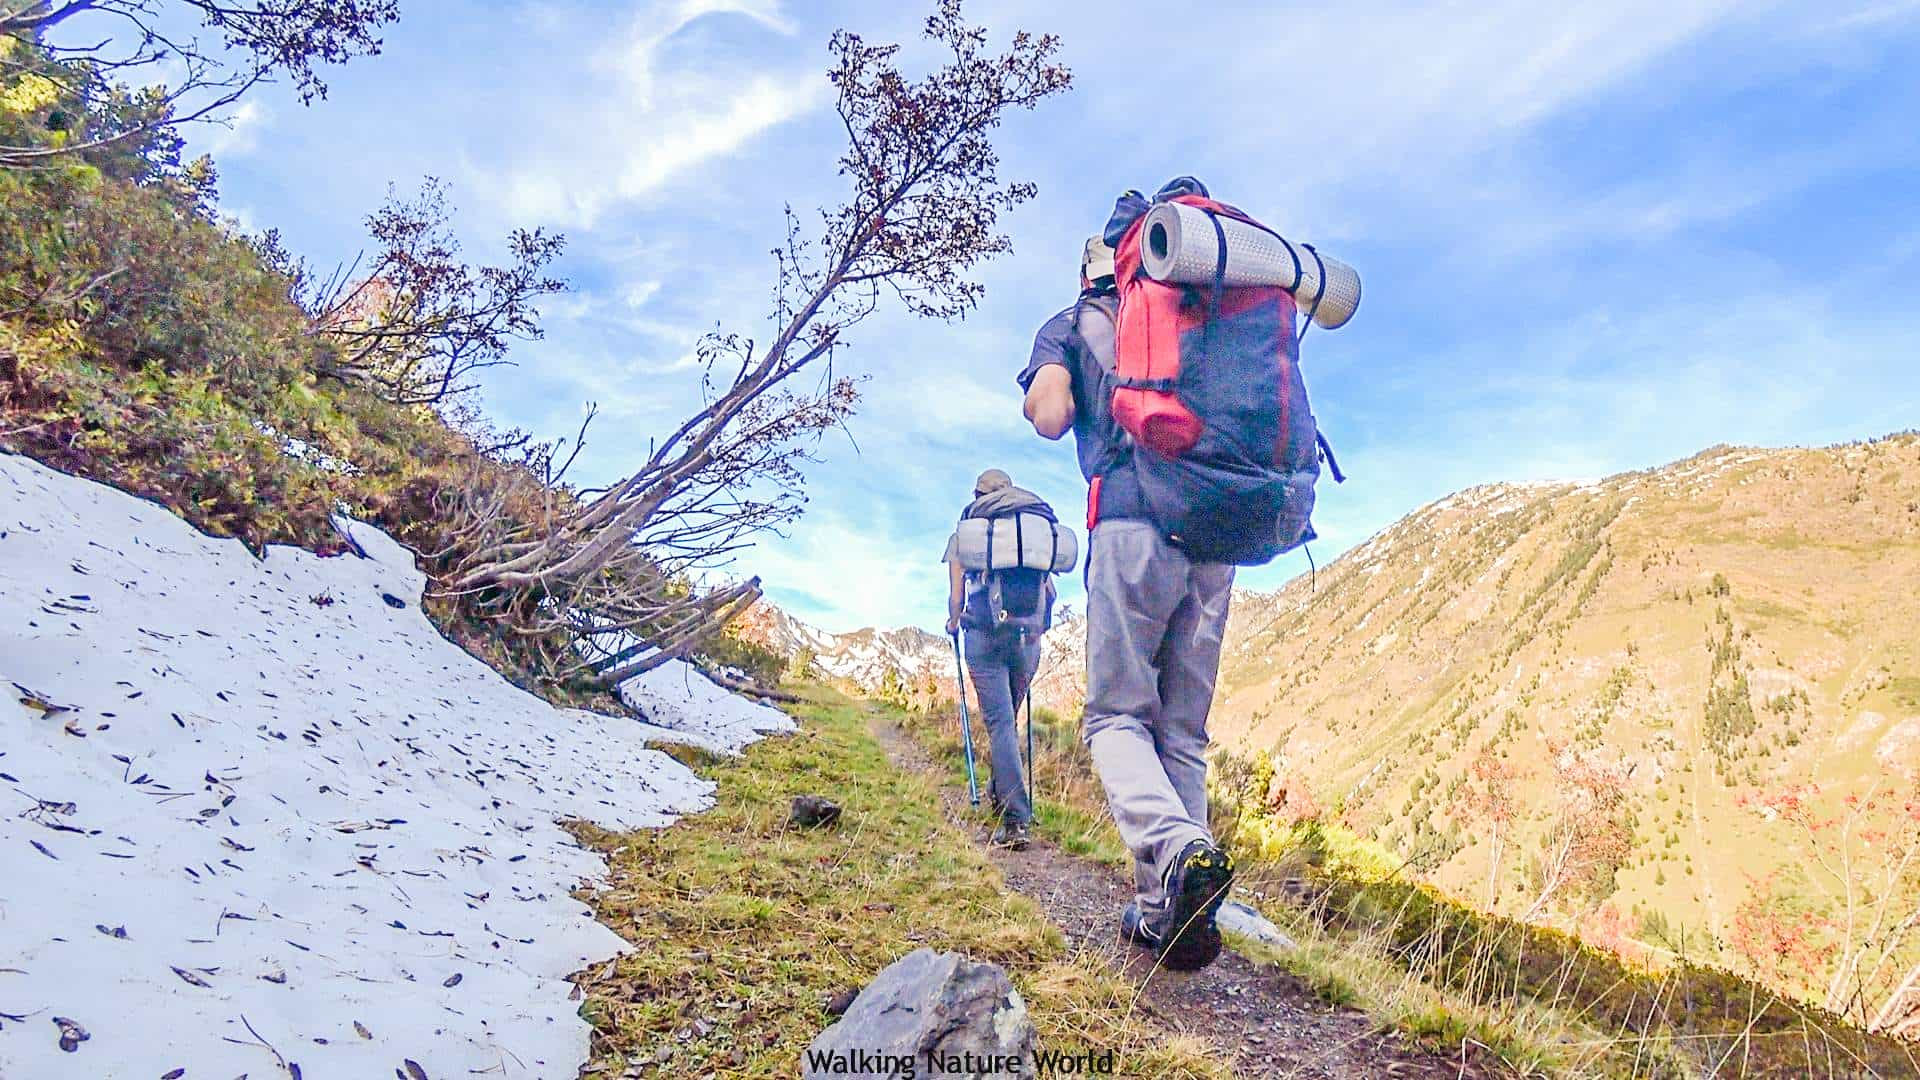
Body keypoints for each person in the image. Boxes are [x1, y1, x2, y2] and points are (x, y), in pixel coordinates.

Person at [1017, 235, 1237, 970]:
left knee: (1115, 716)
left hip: (1133, 519)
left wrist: (1052, 381)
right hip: (1217, 534)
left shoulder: (1075, 320)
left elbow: (1049, 416)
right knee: (1181, 733)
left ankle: (1180, 853)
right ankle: (1164, 915)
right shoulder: (1211, 308)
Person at [942, 468, 1048, 851]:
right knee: (1008, 723)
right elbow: (1047, 589)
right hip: (1027, 640)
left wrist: (954, 620)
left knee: (1001, 725)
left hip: (983, 635)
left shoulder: (967, 533)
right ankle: (1000, 795)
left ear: (977, 494)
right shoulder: (1031, 533)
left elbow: (957, 594)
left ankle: (1016, 820)